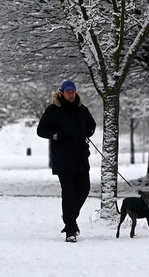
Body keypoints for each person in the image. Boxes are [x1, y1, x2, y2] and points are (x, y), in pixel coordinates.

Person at [37, 80, 96, 243]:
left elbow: (91, 124)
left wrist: (88, 132)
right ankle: (70, 229)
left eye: (73, 91)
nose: (71, 94)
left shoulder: (81, 109)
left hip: (81, 157)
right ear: (61, 93)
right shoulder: (53, 110)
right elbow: (41, 130)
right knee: (69, 193)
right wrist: (56, 135)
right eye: (68, 91)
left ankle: (69, 217)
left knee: (84, 189)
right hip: (63, 158)